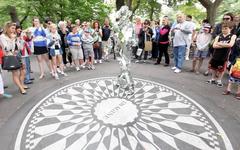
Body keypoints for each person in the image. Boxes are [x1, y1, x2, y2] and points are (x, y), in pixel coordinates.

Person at [0, 22, 27, 94]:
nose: (14, 30)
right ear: (7, 28)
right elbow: (6, 48)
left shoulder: (14, 35)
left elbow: (20, 48)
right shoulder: (2, 36)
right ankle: (21, 88)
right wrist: (12, 39)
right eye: (12, 28)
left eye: (14, 28)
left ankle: (22, 84)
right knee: (15, 73)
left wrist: (21, 40)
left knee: (23, 70)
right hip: (10, 56)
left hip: (17, 54)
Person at [206, 22, 237, 87]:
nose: (224, 30)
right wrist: (225, 45)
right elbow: (214, 45)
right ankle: (213, 78)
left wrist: (219, 44)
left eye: (226, 29)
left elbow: (230, 45)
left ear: (230, 29)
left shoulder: (233, 36)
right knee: (213, 67)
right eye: (223, 29)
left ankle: (219, 80)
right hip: (216, 54)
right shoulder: (218, 36)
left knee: (222, 68)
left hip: (225, 55)